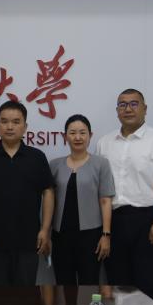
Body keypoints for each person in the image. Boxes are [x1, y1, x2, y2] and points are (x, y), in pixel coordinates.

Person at [94, 88, 153, 305]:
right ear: (117, 110)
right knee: (117, 284)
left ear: (145, 108)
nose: (128, 109)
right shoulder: (105, 143)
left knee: (148, 284)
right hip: (114, 221)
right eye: (122, 105)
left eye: (134, 104)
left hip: (148, 220)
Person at [0, 100, 54, 286]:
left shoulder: (37, 157)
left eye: (16, 122)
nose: (9, 127)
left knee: (25, 293)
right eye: (4, 121)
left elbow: (48, 192)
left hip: (29, 239)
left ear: (25, 126)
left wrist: (45, 229)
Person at [49, 114, 114, 286]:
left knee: (90, 283)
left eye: (82, 133)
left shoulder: (101, 164)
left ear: (90, 136)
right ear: (65, 136)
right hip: (60, 236)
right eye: (72, 133)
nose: (77, 137)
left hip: (91, 236)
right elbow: (49, 201)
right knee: (63, 283)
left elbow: (105, 200)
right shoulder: (54, 165)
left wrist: (106, 235)